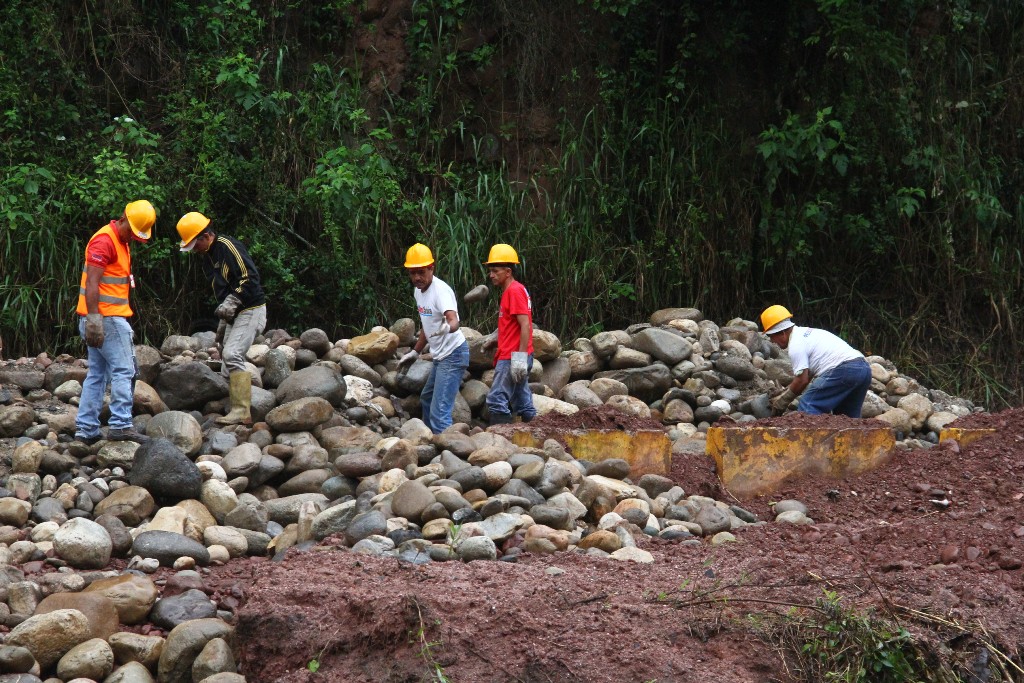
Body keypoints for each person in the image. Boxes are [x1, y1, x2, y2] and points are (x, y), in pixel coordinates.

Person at [74, 200, 156, 444]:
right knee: (125, 370)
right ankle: (121, 424)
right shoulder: (105, 240)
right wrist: (94, 319)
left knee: (97, 373)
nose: (133, 238)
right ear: (124, 220)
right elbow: (92, 282)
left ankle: (86, 429)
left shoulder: (120, 240)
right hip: (105, 318)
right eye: (132, 232)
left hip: (100, 317)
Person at [176, 211, 266, 425]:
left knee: (233, 354)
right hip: (233, 312)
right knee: (226, 361)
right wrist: (223, 323)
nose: (194, 250)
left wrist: (232, 302)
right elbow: (223, 291)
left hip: (250, 308)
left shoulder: (226, 246)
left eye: (194, 244)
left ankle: (242, 412)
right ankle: (230, 403)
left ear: (205, 236)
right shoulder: (208, 256)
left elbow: (250, 277)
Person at [396, 244, 470, 434]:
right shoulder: (418, 291)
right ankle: (431, 441)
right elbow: (427, 325)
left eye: (421, 272)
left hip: (453, 355)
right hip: (440, 357)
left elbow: (454, 321)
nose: (416, 278)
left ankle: (450, 455)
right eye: (412, 273)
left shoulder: (441, 291)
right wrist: (415, 351)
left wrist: (447, 327)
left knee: (440, 413)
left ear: (432, 268)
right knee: (427, 399)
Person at [761, 305, 872, 418]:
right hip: (863, 370)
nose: (772, 341)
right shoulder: (807, 334)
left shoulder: (795, 344)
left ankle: (810, 436)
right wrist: (786, 392)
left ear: (782, 333)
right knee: (847, 417)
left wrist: (782, 401)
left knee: (808, 405)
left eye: (771, 336)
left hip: (844, 370)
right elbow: (807, 375)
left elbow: (802, 380)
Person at [482, 244, 536, 425]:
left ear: (508, 271)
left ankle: (500, 440)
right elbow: (512, 325)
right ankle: (535, 431)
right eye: (490, 271)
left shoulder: (514, 291)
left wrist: (519, 359)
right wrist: (495, 340)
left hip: (512, 356)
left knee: (496, 398)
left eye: (495, 271)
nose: (491, 275)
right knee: (521, 399)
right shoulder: (512, 291)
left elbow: (525, 325)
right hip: (515, 353)